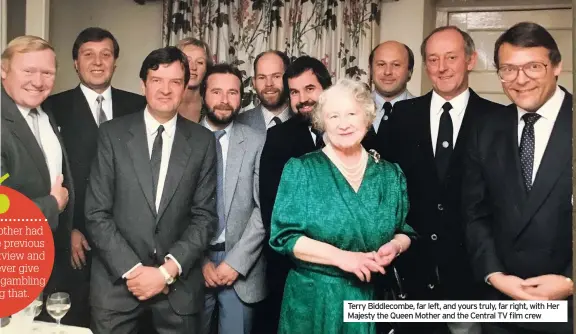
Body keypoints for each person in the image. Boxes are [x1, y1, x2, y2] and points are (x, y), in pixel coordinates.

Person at [84, 46, 217, 333]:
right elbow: (96, 213)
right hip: (116, 290)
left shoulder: (203, 142)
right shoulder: (111, 135)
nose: (165, 90)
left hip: (177, 294)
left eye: (175, 82)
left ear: (185, 87)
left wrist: (166, 273)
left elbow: (204, 217)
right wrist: (135, 271)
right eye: (157, 80)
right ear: (143, 85)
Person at [381, 25, 502, 334]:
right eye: (433, 59)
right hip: (410, 279)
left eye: (451, 57)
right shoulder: (401, 117)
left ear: (471, 60)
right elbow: (384, 192)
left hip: (472, 281)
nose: (442, 67)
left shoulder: (499, 120)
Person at [269, 78, 414, 334]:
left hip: (372, 299)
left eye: (351, 114)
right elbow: (284, 237)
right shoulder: (302, 169)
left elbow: (405, 230)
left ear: (367, 118)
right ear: (322, 122)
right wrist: (343, 259)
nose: (343, 123)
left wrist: (395, 246)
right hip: (315, 302)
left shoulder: (390, 174)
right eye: (333, 116)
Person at [463, 22, 573, 334]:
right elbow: (475, 214)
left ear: (556, 66)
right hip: (502, 308)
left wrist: (570, 281)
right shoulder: (486, 129)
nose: (520, 79)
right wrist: (494, 275)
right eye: (508, 69)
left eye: (533, 67)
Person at [46, 27, 146, 327]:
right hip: (77, 239)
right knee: (76, 317)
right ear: (75, 62)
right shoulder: (53, 106)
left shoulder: (138, 106)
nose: (98, 62)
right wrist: (71, 228)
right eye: (88, 55)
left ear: (116, 62)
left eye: (106, 54)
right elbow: (53, 173)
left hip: (130, 238)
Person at [199, 63, 267, 334]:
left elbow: (263, 209)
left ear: (242, 97)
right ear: (204, 94)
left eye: (232, 93)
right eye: (216, 92)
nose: (224, 100)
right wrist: (201, 260)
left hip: (241, 267)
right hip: (193, 265)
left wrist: (236, 262)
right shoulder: (184, 137)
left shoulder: (258, 141)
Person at [1, 35, 72, 233]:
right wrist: (53, 205)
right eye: (28, 71)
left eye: (47, 73)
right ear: (3, 70)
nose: (38, 82)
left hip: (53, 249)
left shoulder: (46, 109)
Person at [369, 41, 415, 146]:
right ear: (371, 70)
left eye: (396, 65)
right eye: (381, 64)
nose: (388, 72)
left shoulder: (424, 112)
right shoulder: (353, 109)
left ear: (410, 71)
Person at [237, 50, 292, 132]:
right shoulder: (238, 124)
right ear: (254, 82)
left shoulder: (306, 123)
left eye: (276, 76)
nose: (269, 84)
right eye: (262, 77)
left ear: (289, 79)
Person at [176, 37, 212, 122]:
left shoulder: (212, 106)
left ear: (207, 68)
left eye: (200, 62)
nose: (193, 67)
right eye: (187, 61)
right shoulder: (162, 101)